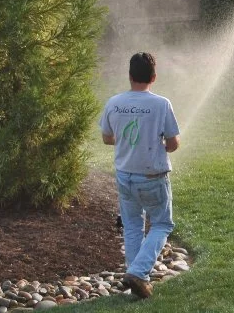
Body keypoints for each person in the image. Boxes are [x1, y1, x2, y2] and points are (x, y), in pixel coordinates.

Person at [99, 52, 180, 299]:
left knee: (133, 225)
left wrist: (126, 139)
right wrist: (160, 146)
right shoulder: (161, 104)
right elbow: (173, 143)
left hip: (125, 176)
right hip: (152, 176)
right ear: (153, 77)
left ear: (130, 76)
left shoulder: (114, 103)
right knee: (163, 223)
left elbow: (106, 137)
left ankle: (136, 276)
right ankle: (138, 272)